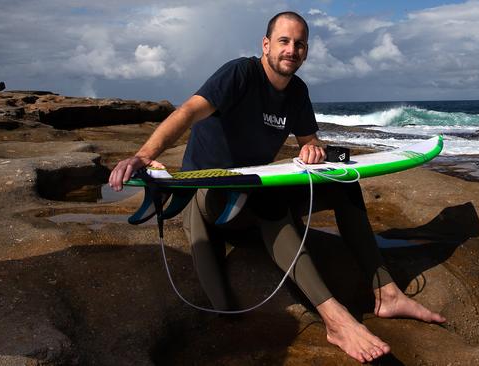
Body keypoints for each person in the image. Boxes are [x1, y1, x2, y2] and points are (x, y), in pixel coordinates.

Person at [108, 11, 445, 363]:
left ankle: (386, 293)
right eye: (284, 41)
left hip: (252, 190)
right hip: (210, 198)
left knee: (345, 184)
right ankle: (335, 318)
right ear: (266, 44)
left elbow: (309, 141)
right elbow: (188, 111)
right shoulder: (240, 73)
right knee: (266, 201)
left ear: (306, 51)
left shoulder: (297, 92)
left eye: (299, 43)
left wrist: (311, 149)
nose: (291, 49)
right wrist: (143, 156)